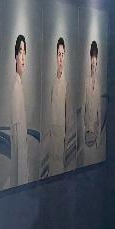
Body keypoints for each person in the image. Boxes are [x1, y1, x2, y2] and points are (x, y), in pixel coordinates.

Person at [10, 34, 30, 187]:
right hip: (19, 171)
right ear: (15, 57)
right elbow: (17, 142)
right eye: (20, 52)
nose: (23, 57)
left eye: (24, 53)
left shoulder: (19, 86)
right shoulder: (16, 88)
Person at [47, 37, 69, 175]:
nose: (60, 58)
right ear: (56, 56)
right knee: (52, 164)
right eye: (59, 54)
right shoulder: (53, 82)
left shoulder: (66, 83)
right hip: (52, 128)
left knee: (59, 164)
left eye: (62, 54)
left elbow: (68, 110)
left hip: (61, 129)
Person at [82, 40, 102, 165]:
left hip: (94, 133)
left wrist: (98, 137)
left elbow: (99, 113)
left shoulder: (98, 86)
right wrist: (84, 129)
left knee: (93, 160)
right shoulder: (86, 82)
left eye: (95, 60)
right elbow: (83, 107)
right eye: (92, 59)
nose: (93, 64)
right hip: (87, 133)